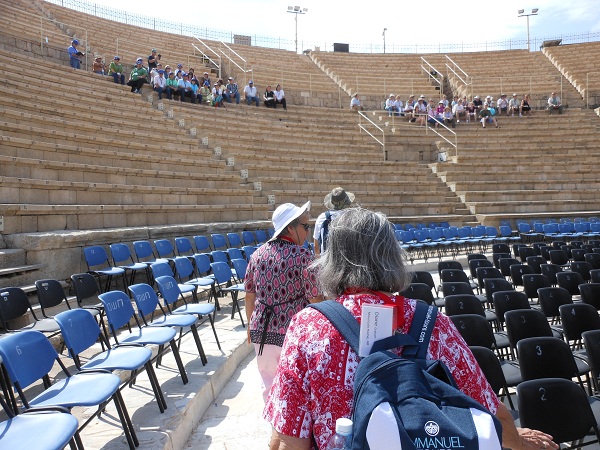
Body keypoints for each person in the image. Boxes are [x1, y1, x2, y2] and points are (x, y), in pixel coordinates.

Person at [264, 207, 559, 450]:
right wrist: (520, 442)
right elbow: (489, 409)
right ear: (392, 256)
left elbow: (291, 440)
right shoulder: (434, 324)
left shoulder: (307, 327)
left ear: (331, 260)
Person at [244, 201, 321, 403]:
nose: (307, 232)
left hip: (262, 329)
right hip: (294, 332)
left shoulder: (256, 255)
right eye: (305, 227)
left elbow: (250, 295)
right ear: (290, 228)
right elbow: (315, 298)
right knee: (296, 388)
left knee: (268, 386)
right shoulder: (304, 256)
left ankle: (275, 429)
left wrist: (250, 325)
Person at [312, 187, 355, 257]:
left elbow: (316, 246)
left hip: (326, 263)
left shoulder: (321, 218)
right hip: (346, 263)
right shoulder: (352, 218)